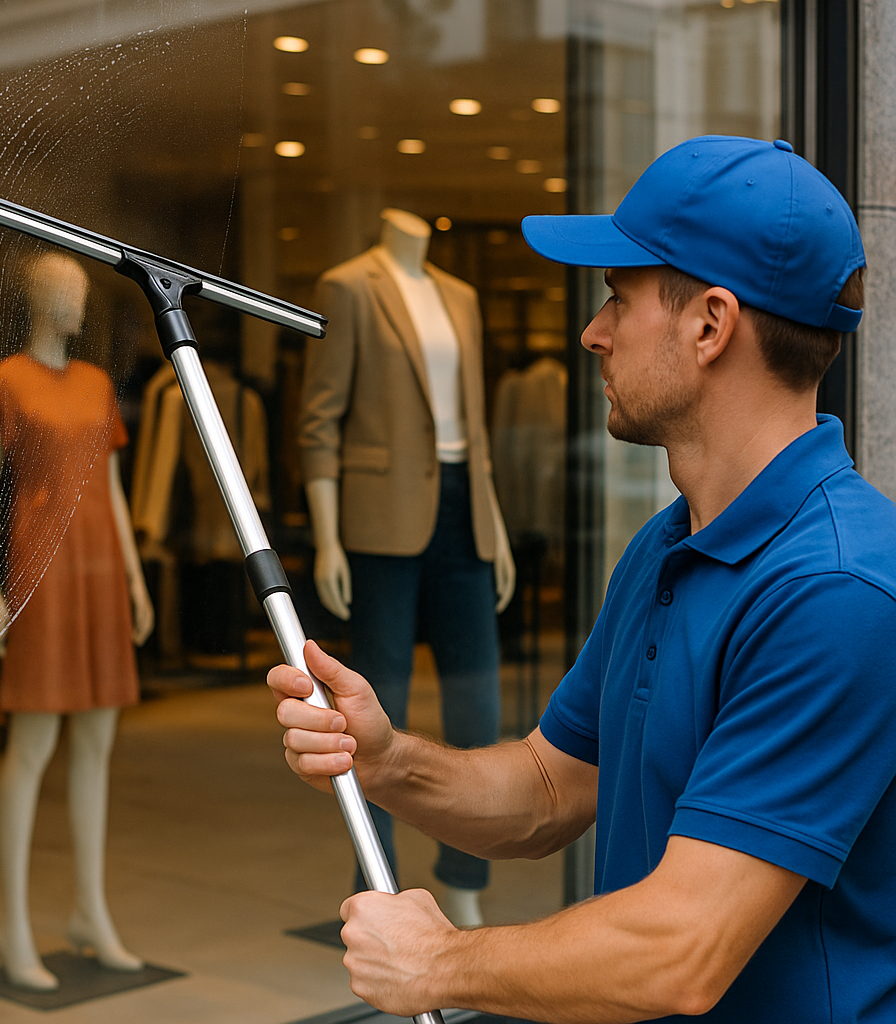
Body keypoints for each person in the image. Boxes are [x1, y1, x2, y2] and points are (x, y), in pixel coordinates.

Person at [267, 136, 896, 1023]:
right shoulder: (668, 546)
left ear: (711, 324)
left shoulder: (838, 591)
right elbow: (552, 786)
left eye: (617, 297)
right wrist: (388, 760)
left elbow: (684, 949)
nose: (590, 332)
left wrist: (442, 962)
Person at [301, 208, 515, 925]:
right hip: (380, 516)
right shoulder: (349, 287)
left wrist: (495, 527)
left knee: (477, 705)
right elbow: (321, 419)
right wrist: (328, 538)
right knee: (374, 708)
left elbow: (475, 427)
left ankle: (465, 879)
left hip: (463, 508)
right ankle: (377, 879)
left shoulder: (461, 296)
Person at [0, 251, 154, 991]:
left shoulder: (98, 384)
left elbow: (108, 489)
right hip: (40, 572)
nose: (81, 307)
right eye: (70, 294)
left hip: (101, 569)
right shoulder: (5, 379)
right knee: (33, 744)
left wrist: (136, 577)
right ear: (43, 300)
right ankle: (12, 923)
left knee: (97, 745)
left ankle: (90, 911)